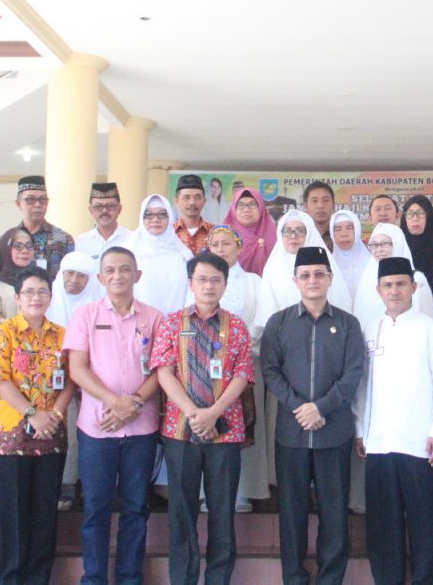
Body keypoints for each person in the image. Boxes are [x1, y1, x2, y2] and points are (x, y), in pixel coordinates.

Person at [260, 246, 364, 585]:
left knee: (334, 512)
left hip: (334, 433)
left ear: (330, 278)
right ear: (295, 280)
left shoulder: (348, 324)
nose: (312, 280)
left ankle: (331, 578)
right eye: (305, 275)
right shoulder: (279, 323)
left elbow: (353, 373)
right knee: (292, 513)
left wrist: (321, 407)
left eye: (319, 274)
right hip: (292, 434)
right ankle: (294, 577)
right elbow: (271, 370)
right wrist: (300, 407)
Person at [151, 252, 256, 585]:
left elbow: (242, 375)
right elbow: (164, 372)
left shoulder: (236, 326)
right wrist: (194, 413)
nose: (209, 286)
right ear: (190, 283)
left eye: (215, 280)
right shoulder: (171, 323)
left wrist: (213, 413)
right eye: (202, 279)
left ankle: (218, 579)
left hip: (225, 431)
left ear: (225, 284)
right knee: (181, 512)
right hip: (180, 431)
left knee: (222, 511)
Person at [64, 247, 163, 585]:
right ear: (101, 277)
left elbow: (162, 370)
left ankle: (129, 578)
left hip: (141, 428)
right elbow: (77, 369)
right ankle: (93, 578)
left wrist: (133, 402)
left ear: (137, 275)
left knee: (136, 507)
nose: (117, 275)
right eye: (110, 270)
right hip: (97, 428)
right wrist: (114, 402)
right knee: (96, 508)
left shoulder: (154, 318)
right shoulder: (85, 315)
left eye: (124, 269)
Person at [355, 256, 433, 585]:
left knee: (423, 523)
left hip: (420, 443)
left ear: (413, 287)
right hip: (379, 443)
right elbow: (362, 386)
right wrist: (360, 430)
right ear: (378, 290)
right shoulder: (370, 329)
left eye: (400, 284)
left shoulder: (431, 329)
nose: (394, 291)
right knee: (383, 525)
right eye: (388, 285)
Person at [0, 265, 75, 585]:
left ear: (50, 296)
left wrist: (55, 416)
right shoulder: (2, 333)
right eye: (29, 292)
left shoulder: (63, 335)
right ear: (17, 298)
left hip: (50, 436)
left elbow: (70, 381)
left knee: (44, 515)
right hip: (11, 439)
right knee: (12, 517)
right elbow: (0, 380)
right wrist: (32, 414)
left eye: (42, 292)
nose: (36, 298)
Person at [193, 226, 269, 510]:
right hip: (204, 366)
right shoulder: (201, 280)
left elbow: (262, 320)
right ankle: (207, 492)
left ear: (239, 248)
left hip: (245, 364)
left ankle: (244, 490)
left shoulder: (253, 281)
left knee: (244, 422)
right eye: (215, 244)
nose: (221, 249)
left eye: (227, 244)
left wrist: (236, 346)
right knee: (208, 423)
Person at [46, 251, 103, 510]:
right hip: (54, 381)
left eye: (82, 276)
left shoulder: (98, 305)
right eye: (69, 273)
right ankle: (64, 484)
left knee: (90, 433)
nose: (74, 280)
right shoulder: (48, 303)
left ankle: (85, 486)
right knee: (63, 429)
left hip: (92, 378)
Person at [0, 175, 75, 282]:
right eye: (30, 199)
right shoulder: (6, 241)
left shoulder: (63, 239)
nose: (38, 205)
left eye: (43, 200)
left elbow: (71, 278)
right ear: (18, 204)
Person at [354, 223, 433, 327]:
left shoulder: (416, 279)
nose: (379, 250)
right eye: (374, 245)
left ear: (398, 243)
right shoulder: (366, 279)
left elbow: (426, 323)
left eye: (385, 243)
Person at [123, 193, 192, 314]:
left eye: (162, 214)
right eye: (149, 215)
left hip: (176, 322)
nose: (155, 219)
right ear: (141, 218)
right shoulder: (127, 253)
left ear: (170, 217)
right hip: (137, 321)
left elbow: (191, 293)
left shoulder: (183, 255)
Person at [223, 188, 277, 276]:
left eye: (252, 204)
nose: (246, 210)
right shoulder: (224, 236)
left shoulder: (276, 236)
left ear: (261, 207)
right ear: (233, 209)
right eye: (240, 205)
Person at [75, 182, 132, 261]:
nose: (104, 210)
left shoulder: (132, 239)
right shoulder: (81, 242)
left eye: (110, 206)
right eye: (98, 206)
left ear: (119, 209)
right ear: (91, 210)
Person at [0, 227, 34, 321]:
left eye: (29, 246)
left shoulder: (37, 281)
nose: (25, 251)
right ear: (6, 249)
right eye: (18, 246)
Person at [400, 195, 433, 285]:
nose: (415, 218)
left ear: (429, 217)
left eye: (420, 213)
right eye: (410, 214)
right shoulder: (398, 248)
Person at [329, 209, 371, 298]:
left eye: (349, 228)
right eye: (338, 229)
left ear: (357, 230)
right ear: (332, 234)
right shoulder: (328, 265)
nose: (344, 234)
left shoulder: (371, 263)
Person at [174, 173, 215, 256]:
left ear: (204, 201)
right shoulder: (170, 232)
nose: (192, 202)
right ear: (176, 201)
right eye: (186, 197)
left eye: (197, 197)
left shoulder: (215, 232)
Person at [302, 180, 337, 251]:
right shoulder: (299, 236)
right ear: (305, 206)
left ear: (333, 205)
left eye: (326, 200)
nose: (320, 205)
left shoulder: (340, 234)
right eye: (314, 201)